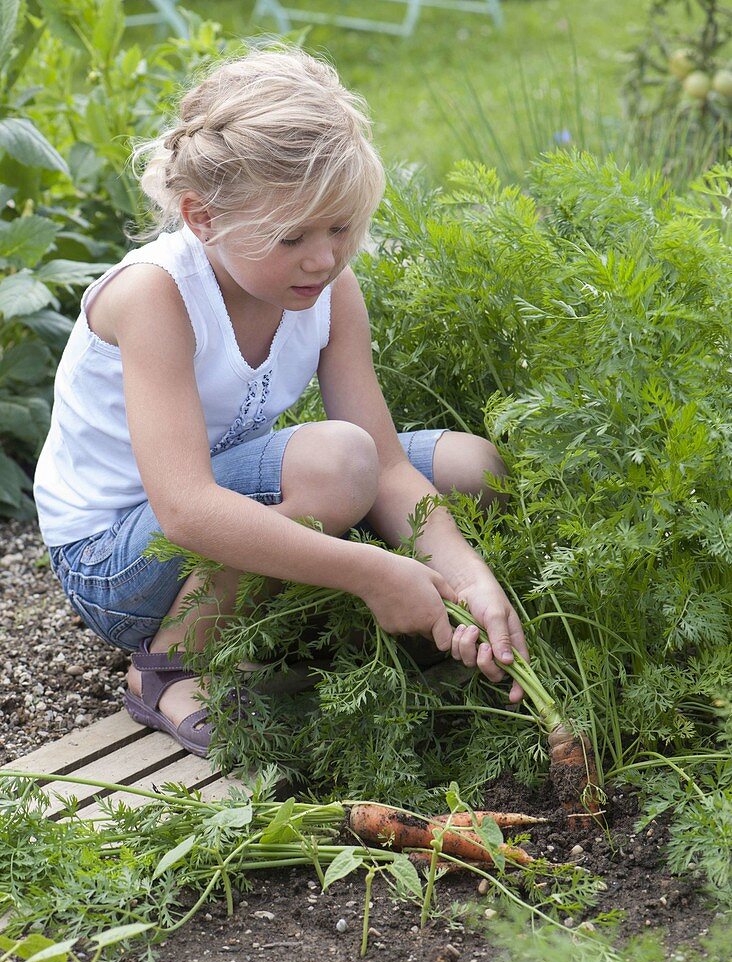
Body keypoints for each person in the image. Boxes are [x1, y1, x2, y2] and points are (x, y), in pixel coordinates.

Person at [33, 45, 528, 757]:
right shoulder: (154, 296)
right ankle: (173, 664)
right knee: (336, 464)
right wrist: (374, 571)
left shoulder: (329, 290)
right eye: (292, 236)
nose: (324, 258)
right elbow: (187, 507)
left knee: (472, 467)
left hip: (210, 505)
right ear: (202, 218)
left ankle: (386, 615)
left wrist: (467, 579)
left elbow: (390, 470)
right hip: (116, 561)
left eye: (340, 227)